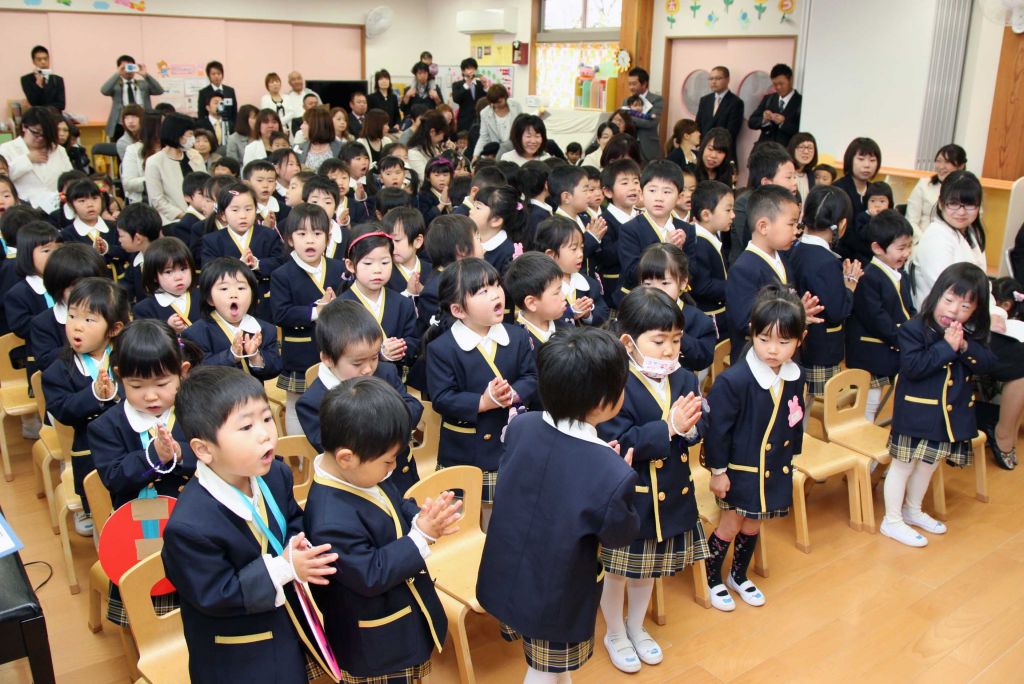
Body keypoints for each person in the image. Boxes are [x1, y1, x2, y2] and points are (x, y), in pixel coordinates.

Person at [479, 326, 641, 683]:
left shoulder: (523, 425)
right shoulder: (610, 471)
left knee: (550, 667)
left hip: (509, 572)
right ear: (604, 402)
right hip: (557, 593)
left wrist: (607, 468)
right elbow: (620, 535)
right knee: (542, 670)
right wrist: (616, 477)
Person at [161, 365, 338, 684]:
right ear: (203, 449)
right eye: (246, 427)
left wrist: (298, 544)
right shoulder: (188, 527)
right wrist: (284, 567)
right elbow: (217, 594)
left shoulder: (276, 474)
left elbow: (291, 520)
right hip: (238, 653)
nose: (265, 433)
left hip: (284, 622)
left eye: (267, 418)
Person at [304, 375, 455, 683]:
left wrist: (420, 516)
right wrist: (421, 536)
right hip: (375, 643)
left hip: (401, 617)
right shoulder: (329, 519)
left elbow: (396, 503)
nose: (392, 468)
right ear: (346, 458)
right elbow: (371, 574)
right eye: (388, 462)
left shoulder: (364, 472)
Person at [596, 288, 706, 672]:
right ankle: (614, 632)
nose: (669, 350)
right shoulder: (614, 383)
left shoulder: (685, 377)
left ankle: (635, 626)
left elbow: (698, 424)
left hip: (672, 491)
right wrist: (669, 427)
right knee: (618, 572)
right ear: (629, 342)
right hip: (633, 496)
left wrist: (691, 429)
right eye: (659, 342)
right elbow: (618, 440)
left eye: (676, 340)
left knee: (648, 571)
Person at [89, 319, 199, 628]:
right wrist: (154, 456)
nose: (150, 396)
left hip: (193, 521)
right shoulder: (105, 426)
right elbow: (113, 477)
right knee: (148, 606)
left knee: (197, 595)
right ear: (119, 377)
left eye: (162, 384)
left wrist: (179, 453)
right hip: (138, 530)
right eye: (137, 386)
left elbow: (215, 455)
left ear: (183, 372)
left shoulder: (195, 413)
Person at [704, 285, 807, 609]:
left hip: (773, 466)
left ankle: (738, 574)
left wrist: (792, 456)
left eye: (784, 342)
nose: (773, 350)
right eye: (764, 339)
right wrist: (718, 472)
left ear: (800, 340)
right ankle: (711, 577)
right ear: (752, 333)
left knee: (754, 522)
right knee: (731, 523)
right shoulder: (734, 380)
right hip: (740, 469)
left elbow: (795, 419)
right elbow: (717, 432)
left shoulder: (796, 376)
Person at [883, 263, 995, 546]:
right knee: (903, 466)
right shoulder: (913, 329)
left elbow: (989, 364)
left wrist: (965, 346)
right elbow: (914, 367)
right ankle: (891, 520)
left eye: (965, 306)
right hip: (915, 414)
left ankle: (912, 510)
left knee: (928, 465)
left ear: (975, 311)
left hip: (947, 418)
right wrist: (947, 347)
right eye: (949, 300)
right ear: (936, 295)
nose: (954, 311)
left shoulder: (969, 334)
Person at [424, 258, 538, 518]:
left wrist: (514, 393)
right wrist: (483, 402)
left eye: (496, 285)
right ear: (458, 310)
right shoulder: (442, 348)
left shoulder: (518, 336)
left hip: (509, 441)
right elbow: (442, 398)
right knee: (467, 514)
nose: (496, 294)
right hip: (466, 448)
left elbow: (531, 376)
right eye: (483, 291)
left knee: (507, 511)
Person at [297, 299, 423, 491]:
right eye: (357, 363)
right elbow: (334, 453)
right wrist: (389, 421)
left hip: (400, 475)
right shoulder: (313, 402)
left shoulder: (385, 372)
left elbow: (413, 406)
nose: (368, 369)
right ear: (327, 359)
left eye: (374, 357)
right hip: (357, 488)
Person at [42, 278, 130, 535]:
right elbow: (62, 410)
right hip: (88, 447)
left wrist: (116, 394)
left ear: (114, 329)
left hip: (129, 440)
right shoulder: (58, 369)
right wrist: (94, 394)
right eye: (72, 316)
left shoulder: (127, 355)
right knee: (97, 499)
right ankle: (91, 509)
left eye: (89, 320)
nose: (76, 326)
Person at [269, 204, 345, 435]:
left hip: (336, 347)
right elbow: (281, 314)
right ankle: (298, 451)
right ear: (290, 239)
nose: (310, 240)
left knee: (336, 401)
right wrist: (316, 312)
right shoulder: (282, 274)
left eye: (317, 233)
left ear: (328, 238)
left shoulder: (339, 268)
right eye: (302, 234)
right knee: (297, 404)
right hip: (300, 351)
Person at [725, 185, 822, 363]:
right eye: (791, 224)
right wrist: (791, 315)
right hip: (757, 361)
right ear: (763, 226)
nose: (796, 230)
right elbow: (745, 322)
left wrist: (798, 313)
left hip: (784, 356)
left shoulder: (783, 258)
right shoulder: (743, 269)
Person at [787, 185, 860, 399]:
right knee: (806, 406)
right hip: (819, 348)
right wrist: (849, 287)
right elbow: (837, 311)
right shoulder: (825, 261)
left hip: (798, 343)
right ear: (842, 224)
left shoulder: (794, 248)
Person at [845, 210, 915, 423]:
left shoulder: (900, 274)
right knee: (869, 400)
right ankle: (863, 434)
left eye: (909, 246)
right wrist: (904, 337)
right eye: (901, 248)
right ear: (877, 248)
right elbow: (876, 318)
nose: (906, 253)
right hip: (872, 352)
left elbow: (908, 308)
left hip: (889, 348)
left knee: (875, 399)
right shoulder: (870, 277)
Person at [182, 257, 282, 381]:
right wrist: (232, 355)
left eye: (241, 288)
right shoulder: (196, 333)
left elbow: (275, 368)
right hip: (215, 393)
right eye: (224, 288)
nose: (234, 294)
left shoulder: (265, 329)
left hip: (253, 393)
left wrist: (255, 356)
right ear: (210, 299)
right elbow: (197, 372)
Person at [339, 225, 419, 367]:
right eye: (368, 263)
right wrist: (379, 354)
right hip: (357, 379)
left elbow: (414, 341)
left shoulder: (403, 303)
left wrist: (399, 349)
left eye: (384, 262)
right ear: (350, 265)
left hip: (395, 377)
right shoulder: (340, 308)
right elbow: (339, 351)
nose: (377, 270)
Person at [639, 243, 717, 374]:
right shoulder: (634, 313)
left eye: (665, 283)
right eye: (648, 284)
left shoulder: (698, 320)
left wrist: (677, 334)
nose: (656, 290)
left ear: (683, 283)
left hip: (680, 383)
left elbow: (703, 360)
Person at [618, 160, 690, 302]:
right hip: (640, 300)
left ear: (679, 197)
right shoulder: (629, 229)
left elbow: (692, 270)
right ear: (641, 193)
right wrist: (666, 249)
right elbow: (632, 273)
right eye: (652, 190)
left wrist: (680, 254)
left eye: (667, 192)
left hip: (675, 299)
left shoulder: (686, 229)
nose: (659, 198)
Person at [535, 217, 609, 327]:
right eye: (574, 249)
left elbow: (603, 312)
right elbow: (541, 318)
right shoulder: (540, 286)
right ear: (550, 254)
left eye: (582, 248)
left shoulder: (588, 283)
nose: (580, 254)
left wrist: (588, 314)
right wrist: (571, 312)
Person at [0, 107, 72, 213]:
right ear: (24, 127)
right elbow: (3, 177)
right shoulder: (7, 149)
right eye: (36, 132)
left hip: (57, 208)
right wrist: (27, 159)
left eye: (45, 134)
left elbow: (70, 178)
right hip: (22, 210)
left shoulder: (58, 150)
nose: (40, 138)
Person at [689, 180, 734, 340]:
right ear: (706, 215)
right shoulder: (698, 242)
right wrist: (734, 285)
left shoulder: (711, 236)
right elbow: (703, 286)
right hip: (709, 316)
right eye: (728, 210)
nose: (733, 215)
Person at [144, 113, 206, 225]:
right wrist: (185, 216)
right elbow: (157, 200)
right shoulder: (155, 162)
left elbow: (206, 187)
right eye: (190, 134)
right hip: (172, 221)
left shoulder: (195, 156)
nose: (192, 139)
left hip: (201, 216)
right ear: (178, 134)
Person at [133, 236, 201, 333]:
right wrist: (167, 327)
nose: (178, 277)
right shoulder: (145, 309)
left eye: (183, 269)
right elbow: (145, 339)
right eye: (168, 272)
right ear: (154, 276)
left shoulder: (204, 297)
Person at [905, 144, 967, 239]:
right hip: (922, 239)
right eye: (938, 161)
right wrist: (925, 240)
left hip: (953, 241)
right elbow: (911, 221)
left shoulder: (968, 190)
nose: (941, 166)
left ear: (961, 166)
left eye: (947, 162)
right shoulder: (924, 184)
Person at [100, 55, 165, 139]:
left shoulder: (143, 84)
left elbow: (159, 91)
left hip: (143, 121)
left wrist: (145, 75)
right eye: (124, 68)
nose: (128, 71)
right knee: (119, 145)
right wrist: (118, 73)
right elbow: (104, 91)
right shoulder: (115, 85)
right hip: (120, 123)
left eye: (130, 67)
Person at [747, 64, 802, 146]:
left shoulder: (800, 102)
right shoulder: (768, 99)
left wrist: (783, 123)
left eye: (781, 83)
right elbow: (751, 122)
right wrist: (764, 120)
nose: (778, 87)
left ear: (790, 80)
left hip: (786, 150)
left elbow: (801, 131)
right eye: (775, 84)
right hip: (765, 148)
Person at [622, 67, 664, 162]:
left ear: (644, 84)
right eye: (629, 84)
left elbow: (651, 123)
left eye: (634, 84)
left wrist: (630, 117)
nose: (631, 87)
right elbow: (623, 121)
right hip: (629, 147)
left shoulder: (657, 100)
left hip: (648, 147)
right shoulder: (626, 101)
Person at [833, 137, 881, 217]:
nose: (867, 165)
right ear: (850, 160)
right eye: (861, 159)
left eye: (872, 160)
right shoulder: (837, 189)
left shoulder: (877, 191)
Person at [695, 66, 744, 147]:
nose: (713, 82)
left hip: (723, 148)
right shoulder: (704, 100)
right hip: (703, 147)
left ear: (728, 80)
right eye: (711, 79)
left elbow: (731, 132)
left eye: (718, 78)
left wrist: (714, 146)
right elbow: (698, 125)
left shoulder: (736, 102)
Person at [473, 85, 523, 159]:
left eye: (499, 102)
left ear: (505, 97)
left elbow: (522, 127)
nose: (496, 105)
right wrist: (476, 155)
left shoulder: (516, 106)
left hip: (515, 149)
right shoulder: (485, 113)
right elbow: (483, 137)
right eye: (493, 103)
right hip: (496, 152)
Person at [196, 61, 237, 133]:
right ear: (209, 76)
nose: (216, 76)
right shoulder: (203, 92)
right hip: (210, 128)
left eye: (219, 73)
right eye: (213, 74)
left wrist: (233, 127)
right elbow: (201, 114)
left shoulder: (230, 91)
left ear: (222, 75)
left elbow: (234, 112)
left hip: (228, 127)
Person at [21, 45, 65, 112]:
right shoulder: (26, 79)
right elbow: (33, 102)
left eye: (45, 59)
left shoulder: (58, 80)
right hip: (36, 116)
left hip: (54, 115)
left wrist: (38, 107)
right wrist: (38, 85)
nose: (43, 62)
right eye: (39, 59)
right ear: (33, 62)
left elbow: (61, 105)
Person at [452, 57, 487, 133]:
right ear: (463, 71)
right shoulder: (457, 85)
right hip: (464, 122)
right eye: (468, 68)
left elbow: (487, 100)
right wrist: (467, 84)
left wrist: (485, 86)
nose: (471, 71)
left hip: (480, 121)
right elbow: (456, 99)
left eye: (473, 68)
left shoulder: (480, 84)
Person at [787, 132, 818, 200]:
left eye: (810, 148)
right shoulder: (785, 172)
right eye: (801, 147)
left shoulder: (810, 175)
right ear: (792, 149)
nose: (806, 152)